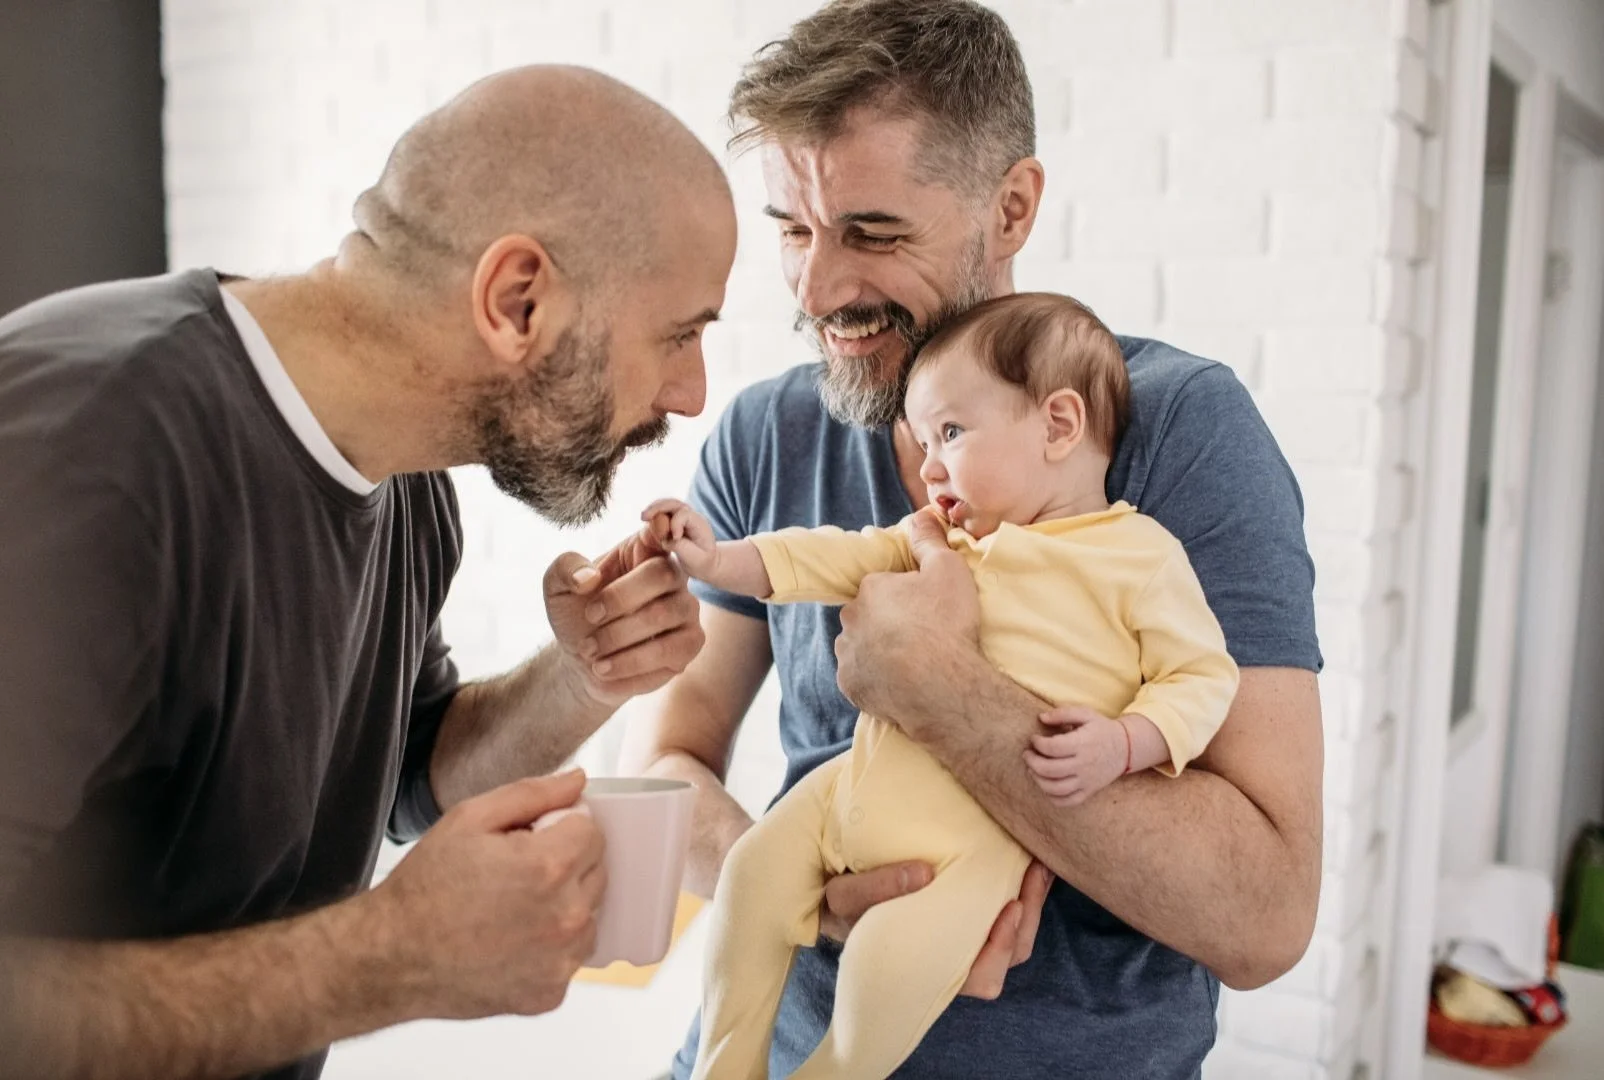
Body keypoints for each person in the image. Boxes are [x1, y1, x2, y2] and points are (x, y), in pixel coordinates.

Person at [614, 3, 1324, 1077]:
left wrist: (942, 691)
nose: (814, 291)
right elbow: (662, 760)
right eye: (793, 230)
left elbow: (1266, 918)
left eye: (873, 232)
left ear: (1011, 207)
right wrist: (812, 897)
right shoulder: (768, 432)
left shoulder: (1177, 431)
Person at [0, 65, 736, 1080]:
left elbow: (405, 779)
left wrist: (581, 677)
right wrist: (387, 959)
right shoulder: (90, 453)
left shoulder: (406, 481)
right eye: (679, 334)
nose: (691, 393)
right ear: (516, 300)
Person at [643, 292, 1240, 1080]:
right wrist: (721, 561)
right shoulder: (943, 538)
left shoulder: (1141, 558)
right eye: (923, 442)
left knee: (885, 971)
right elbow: (830, 555)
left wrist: (1127, 743)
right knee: (751, 878)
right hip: (847, 791)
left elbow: (1200, 676)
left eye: (951, 433)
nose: (928, 468)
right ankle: (726, 1066)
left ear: (1059, 426)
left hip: (970, 849)